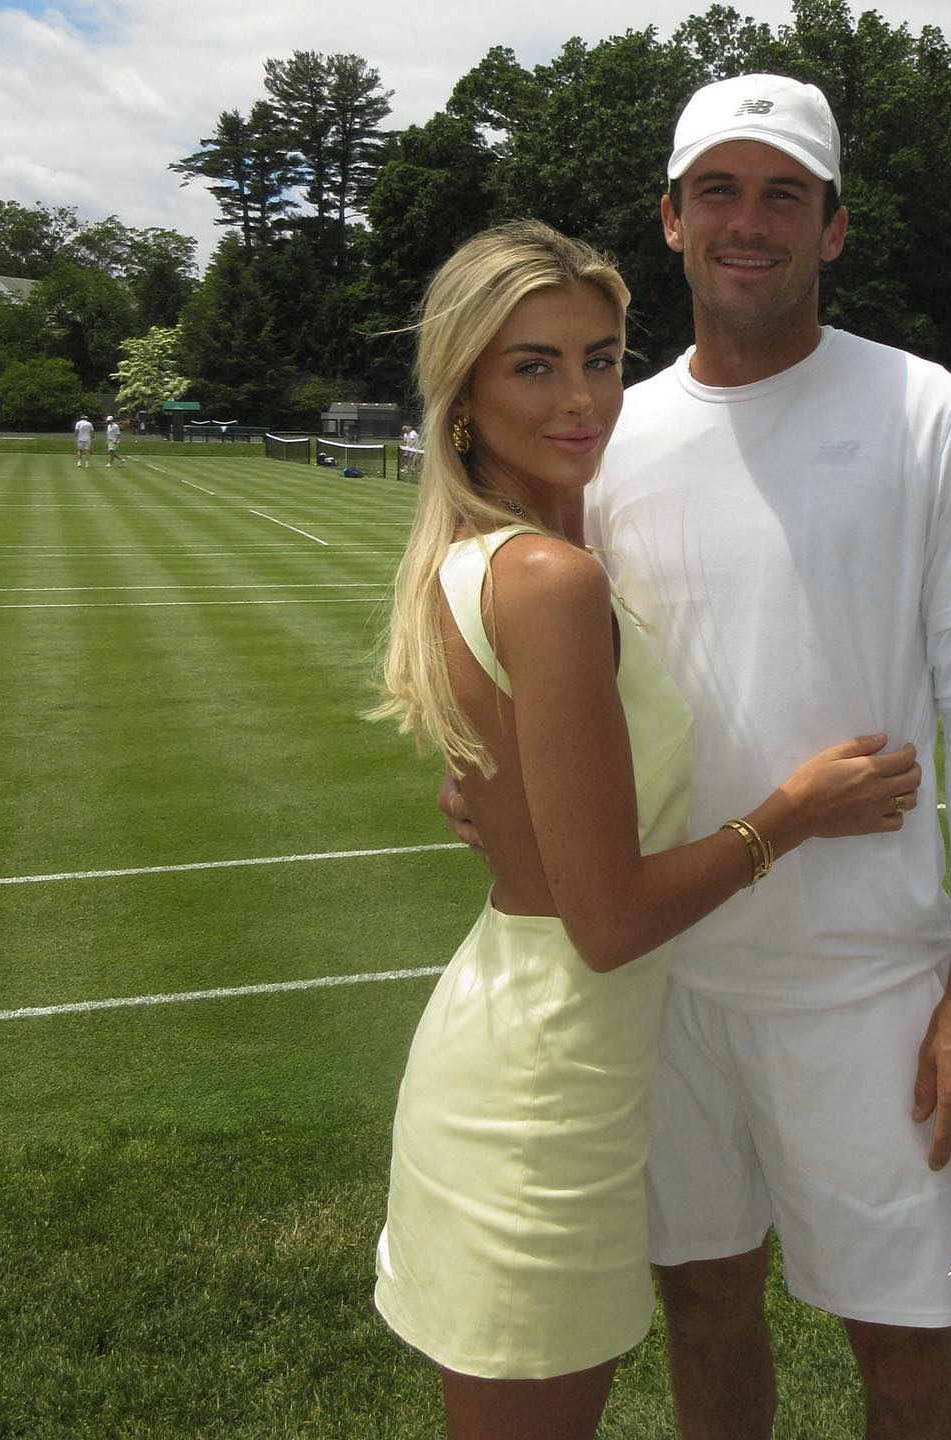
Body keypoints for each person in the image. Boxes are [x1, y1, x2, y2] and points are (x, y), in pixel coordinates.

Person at [444, 74, 951, 1440]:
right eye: (719, 189)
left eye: (783, 194)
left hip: (867, 985)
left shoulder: (930, 412)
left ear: (832, 227)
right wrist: (497, 778)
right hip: (661, 982)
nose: (747, 221)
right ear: (671, 219)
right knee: (706, 1315)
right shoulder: (607, 433)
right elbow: (544, 649)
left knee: (905, 1356)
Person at [370, 219, 921, 1440]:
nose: (583, 398)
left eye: (604, 358)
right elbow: (608, 923)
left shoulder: (511, 553)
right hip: (542, 1085)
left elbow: (530, 805)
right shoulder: (549, 580)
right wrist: (794, 814)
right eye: (534, 365)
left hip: (533, 1040)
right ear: (462, 393)